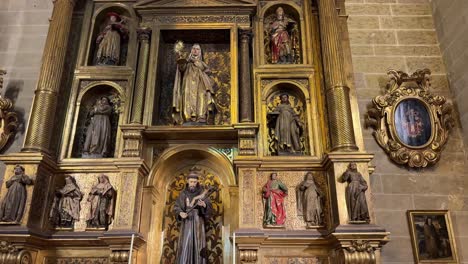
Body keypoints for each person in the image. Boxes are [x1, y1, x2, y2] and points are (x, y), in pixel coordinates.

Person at [173, 169, 213, 264]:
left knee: (198, 243)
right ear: (187, 181)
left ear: (197, 182)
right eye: (191, 182)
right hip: (186, 222)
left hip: (198, 221)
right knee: (186, 243)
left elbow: (209, 208)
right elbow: (176, 207)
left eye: (195, 182)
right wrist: (180, 213)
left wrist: (204, 205)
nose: (193, 184)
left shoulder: (202, 193)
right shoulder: (183, 193)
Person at [172, 44, 215, 124]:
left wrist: (197, 63)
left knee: (201, 97)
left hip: (200, 84)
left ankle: (201, 116)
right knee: (187, 97)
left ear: (200, 52)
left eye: (197, 49)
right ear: (191, 51)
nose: (195, 50)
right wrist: (181, 61)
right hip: (188, 83)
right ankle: (187, 116)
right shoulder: (187, 64)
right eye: (194, 49)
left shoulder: (202, 63)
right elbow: (181, 70)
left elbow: (208, 71)